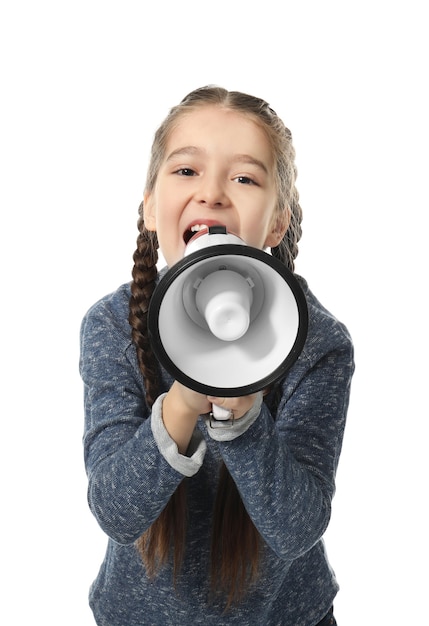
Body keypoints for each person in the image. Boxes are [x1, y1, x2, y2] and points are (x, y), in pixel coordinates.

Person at [79, 86, 354, 626]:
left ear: (277, 223)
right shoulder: (111, 325)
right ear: (151, 209)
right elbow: (115, 511)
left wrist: (244, 415)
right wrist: (181, 403)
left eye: (245, 178)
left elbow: (297, 529)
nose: (212, 193)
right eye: (186, 171)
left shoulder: (318, 342)